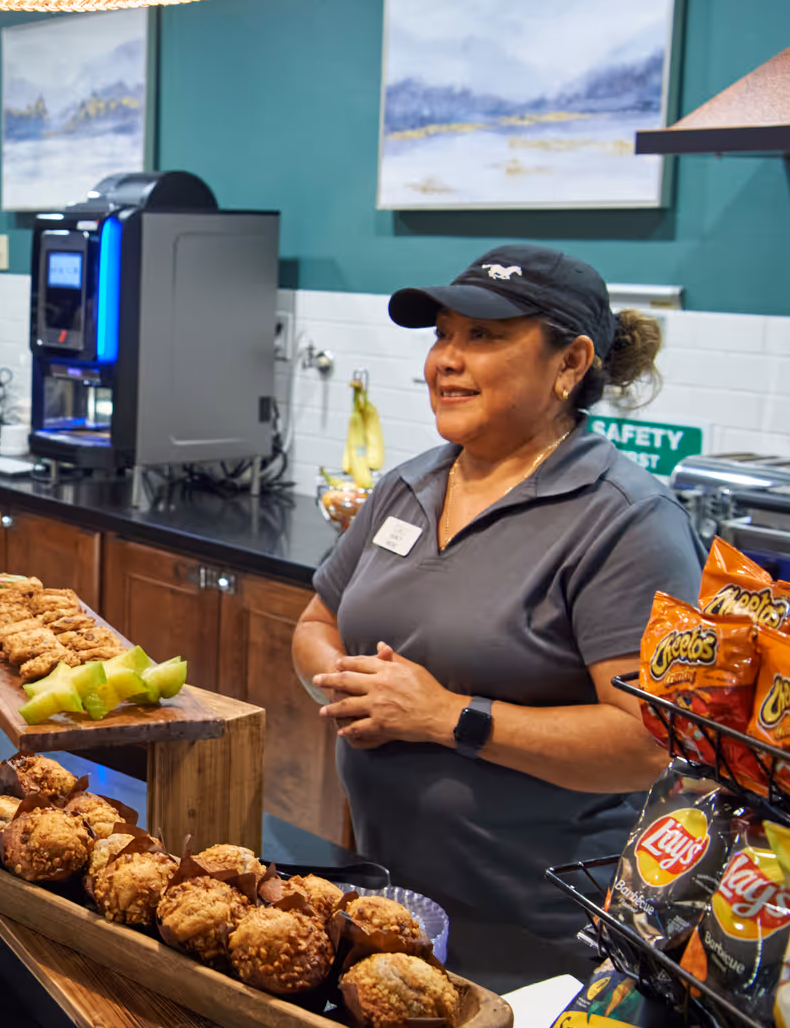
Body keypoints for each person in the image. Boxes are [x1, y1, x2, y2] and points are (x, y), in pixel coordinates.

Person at [292, 244, 701, 941]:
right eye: (443, 335)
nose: (446, 360)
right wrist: (348, 684)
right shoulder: (410, 485)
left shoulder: (625, 520)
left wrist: (448, 716)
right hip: (388, 896)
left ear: (569, 364)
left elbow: (651, 743)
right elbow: (315, 621)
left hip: (543, 929)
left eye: (482, 336)